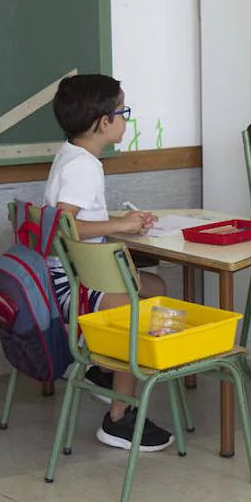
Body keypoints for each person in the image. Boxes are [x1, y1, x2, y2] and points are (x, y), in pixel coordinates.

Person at [44, 73, 174, 452]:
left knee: (154, 289)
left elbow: (66, 219)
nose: (125, 119)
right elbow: (67, 224)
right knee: (136, 308)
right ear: (104, 122)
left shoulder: (70, 154)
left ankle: (104, 370)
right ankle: (119, 417)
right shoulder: (85, 166)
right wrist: (119, 224)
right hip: (76, 288)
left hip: (70, 278)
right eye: (123, 111)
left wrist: (120, 224)